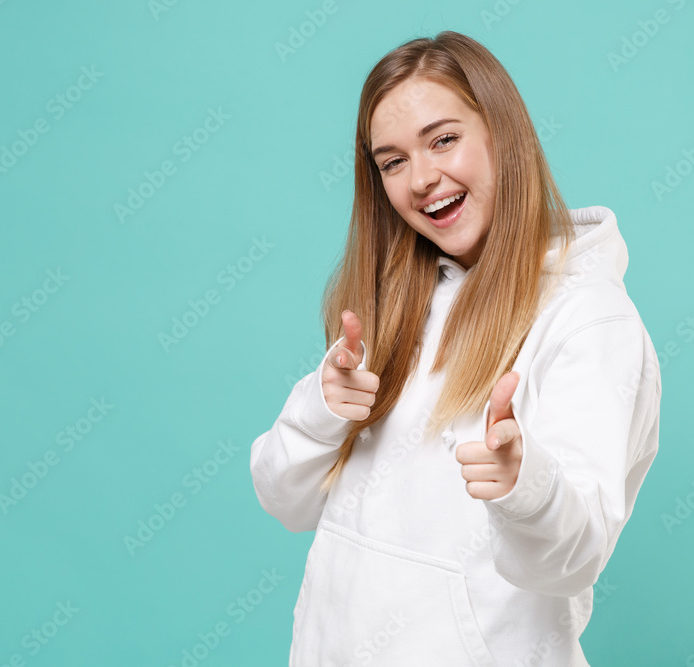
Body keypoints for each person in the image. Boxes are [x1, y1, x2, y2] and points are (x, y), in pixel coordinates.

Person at [250, 30, 662, 667]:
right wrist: (323, 410)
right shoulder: (392, 307)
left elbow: (574, 557)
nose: (421, 179)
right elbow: (286, 501)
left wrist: (525, 485)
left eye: (443, 139)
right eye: (391, 161)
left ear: (502, 133)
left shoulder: (588, 320)